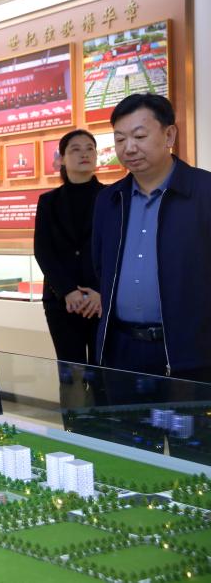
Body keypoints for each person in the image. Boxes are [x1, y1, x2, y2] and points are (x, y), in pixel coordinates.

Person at [92, 93, 211, 381]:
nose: (129, 148)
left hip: (190, 353)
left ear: (169, 135)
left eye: (139, 136)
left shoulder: (204, 191)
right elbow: (100, 267)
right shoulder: (109, 200)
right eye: (120, 139)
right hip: (121, 351)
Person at [34, 129, 105, 371]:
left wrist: (100, 291)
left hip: (101, 300)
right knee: (70, 376)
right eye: (75, 149)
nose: (84, 154)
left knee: (102, 375)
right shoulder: (48, 201)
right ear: (62, 158)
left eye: (90, 148)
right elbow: (43, 250)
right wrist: (68, 291)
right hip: (61, 302)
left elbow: (117, 249)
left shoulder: (112, 197)